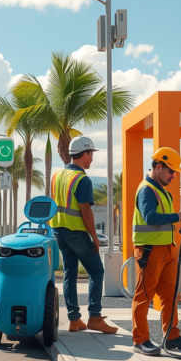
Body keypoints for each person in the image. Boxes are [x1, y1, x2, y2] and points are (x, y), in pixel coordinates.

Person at [131, 147, 181, 356]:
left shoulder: (162, 191)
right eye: (171, 171)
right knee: (143, 297)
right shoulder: (146, 190)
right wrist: (177, 216)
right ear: (159, 167)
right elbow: (150, 217)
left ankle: (171, 337)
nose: (173, 176)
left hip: (168, 251)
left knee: (171, 296)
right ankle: (140, 340)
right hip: (150, 252)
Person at [50, 136, 118, 334]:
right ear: (85, 154)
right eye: (91, 155)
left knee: (69, 273)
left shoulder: (56, 176)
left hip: (59, 231)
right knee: (96, 271)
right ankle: (95, 317)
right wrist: (95, 237)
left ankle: (74, 320)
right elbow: (86, 211)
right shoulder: (82, 179)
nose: (92, 160)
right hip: (76, 232)